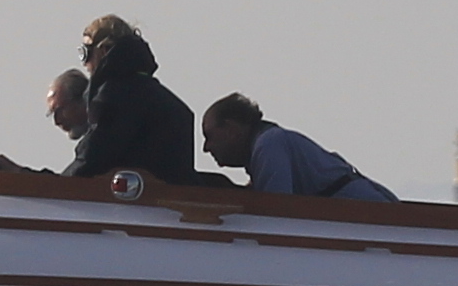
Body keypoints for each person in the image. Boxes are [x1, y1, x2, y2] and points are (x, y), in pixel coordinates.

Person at [66, 15, 198, 184]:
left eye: (85, 53)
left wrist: (50, 185)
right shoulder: (167, 102)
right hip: (171, 204)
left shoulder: (115, 97)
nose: (85, 64)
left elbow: (91, 160)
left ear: (104, 50)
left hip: (134, 205)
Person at [200, 92, 397, 202]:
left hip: (373, 219)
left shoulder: (269, 145)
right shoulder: (271, 144)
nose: (206, 148)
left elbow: (276, 211)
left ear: (232, 129)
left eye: (209, 136)